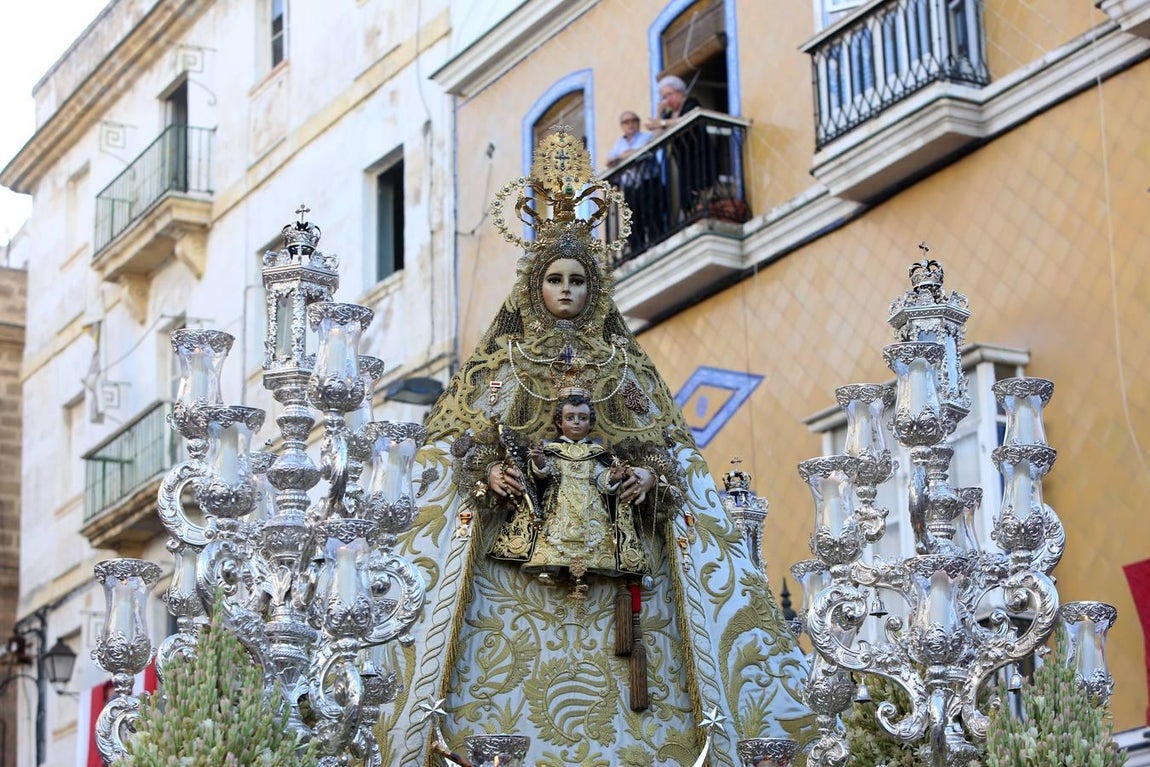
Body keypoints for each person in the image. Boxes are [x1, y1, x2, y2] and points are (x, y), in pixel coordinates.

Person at [382, 127, 811, 765]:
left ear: (594, 288)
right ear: (535, 286)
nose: (566, 291)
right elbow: (471, 442)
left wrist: (648, 479)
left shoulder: (621, 368)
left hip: (619, 561)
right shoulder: (511, 362)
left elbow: (663, 447)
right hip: (515, 559)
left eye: (578, 280)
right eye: (554, 279)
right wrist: (491, 471)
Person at [508, 394, 649, 584]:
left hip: (589, 505)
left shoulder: (597, 453)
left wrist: (613, 477)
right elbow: (543, 474)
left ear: (590, 424)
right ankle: (550, 567)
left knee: (592, 536)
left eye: (582, 418)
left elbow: (600, 480)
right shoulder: (553, 450)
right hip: (560, 502)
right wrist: (539, 461)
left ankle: (589, 568)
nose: (576, 423)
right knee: (554, 535)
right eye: (570, 418)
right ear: (559, 422)